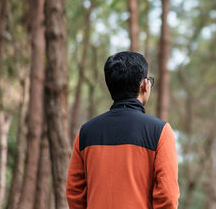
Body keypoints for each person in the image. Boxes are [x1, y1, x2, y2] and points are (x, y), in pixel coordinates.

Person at [66, 51, 179, 209]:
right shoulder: (160, 132)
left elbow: (74, 192)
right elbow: (168, 196)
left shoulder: (86, 132)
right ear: (144, 85)